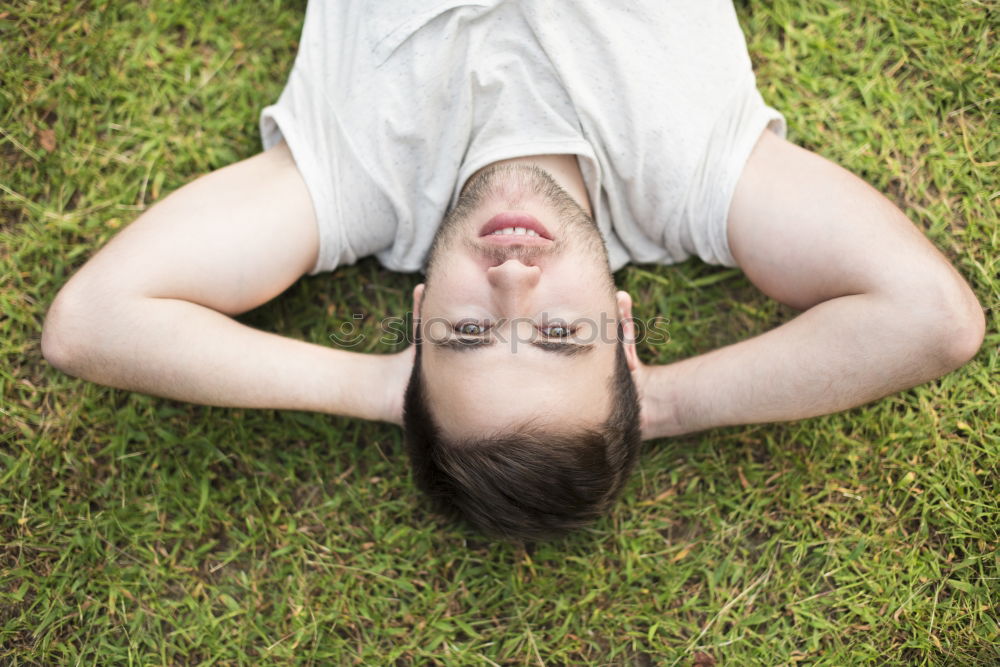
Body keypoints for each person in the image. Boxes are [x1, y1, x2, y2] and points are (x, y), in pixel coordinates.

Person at [41, 1, 984, 540]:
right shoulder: (694, 175)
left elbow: (92, 322)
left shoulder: (357, 181)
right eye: (562, 336)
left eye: (466, 334)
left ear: (415, 321)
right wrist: (664, 404)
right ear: (623, 323)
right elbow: (932, 319)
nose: (512, 281)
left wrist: (381, 389)